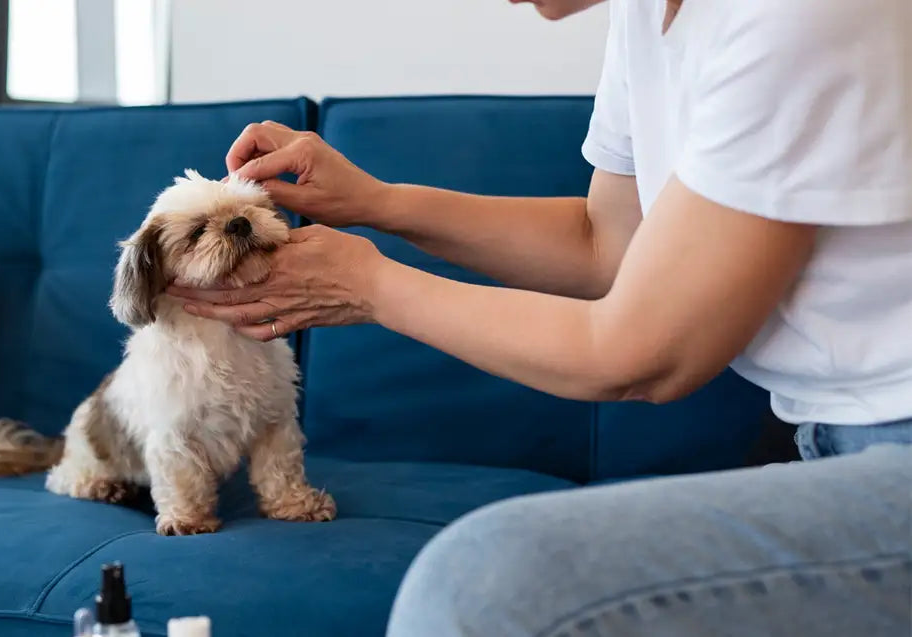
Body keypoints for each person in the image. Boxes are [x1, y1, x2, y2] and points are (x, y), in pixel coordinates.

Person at [168, 0, 912, 634]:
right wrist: (377, 203)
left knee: (489, 580)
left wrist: (371, 286)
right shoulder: (646, 15)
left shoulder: (795, 16)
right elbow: (607, 243)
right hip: (830, 442)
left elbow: (643, 354)